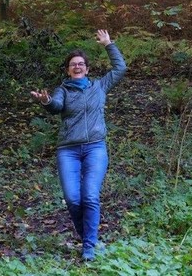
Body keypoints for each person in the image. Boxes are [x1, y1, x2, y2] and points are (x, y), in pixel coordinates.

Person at [31, 29, 126, 261]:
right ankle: (89, 240)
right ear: (68, 70)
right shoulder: (62, 90)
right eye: (73, 64)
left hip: (95, 148)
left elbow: (120, 68)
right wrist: (46, 101)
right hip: (68, 151)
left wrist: (108, 44)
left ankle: (89, 248)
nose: (77, 67)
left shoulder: (99, 86)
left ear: (87, 68)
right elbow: (56, 106)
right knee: (73, 199)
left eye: (81, 63)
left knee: (90, 197)